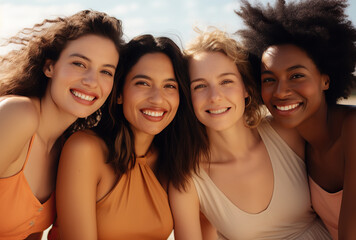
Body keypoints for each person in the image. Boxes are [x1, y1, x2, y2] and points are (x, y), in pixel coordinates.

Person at [169, 28, 332, 240]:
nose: (215, 97)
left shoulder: (287, 133)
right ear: (188, 97)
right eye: (200, 86)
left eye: (226, 81)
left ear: (245, 88)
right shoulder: (188, 179)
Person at [52, 34, 202, 240]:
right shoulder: (85, 149)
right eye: (143, 83)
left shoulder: (174, 160)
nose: (157, 99)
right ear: (119, 93)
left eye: (169, 86)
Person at [236, 0, 356, 239]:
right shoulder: (296, 145)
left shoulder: (352, 128)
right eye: (269, 79)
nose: (280, 91)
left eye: (296, 75)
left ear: (325, 80)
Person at [0, 10, 124, 240]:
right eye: (79, 63)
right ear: (50, 67)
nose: (91, 81)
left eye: (106, 71)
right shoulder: (18, 114)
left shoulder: (65, 148)